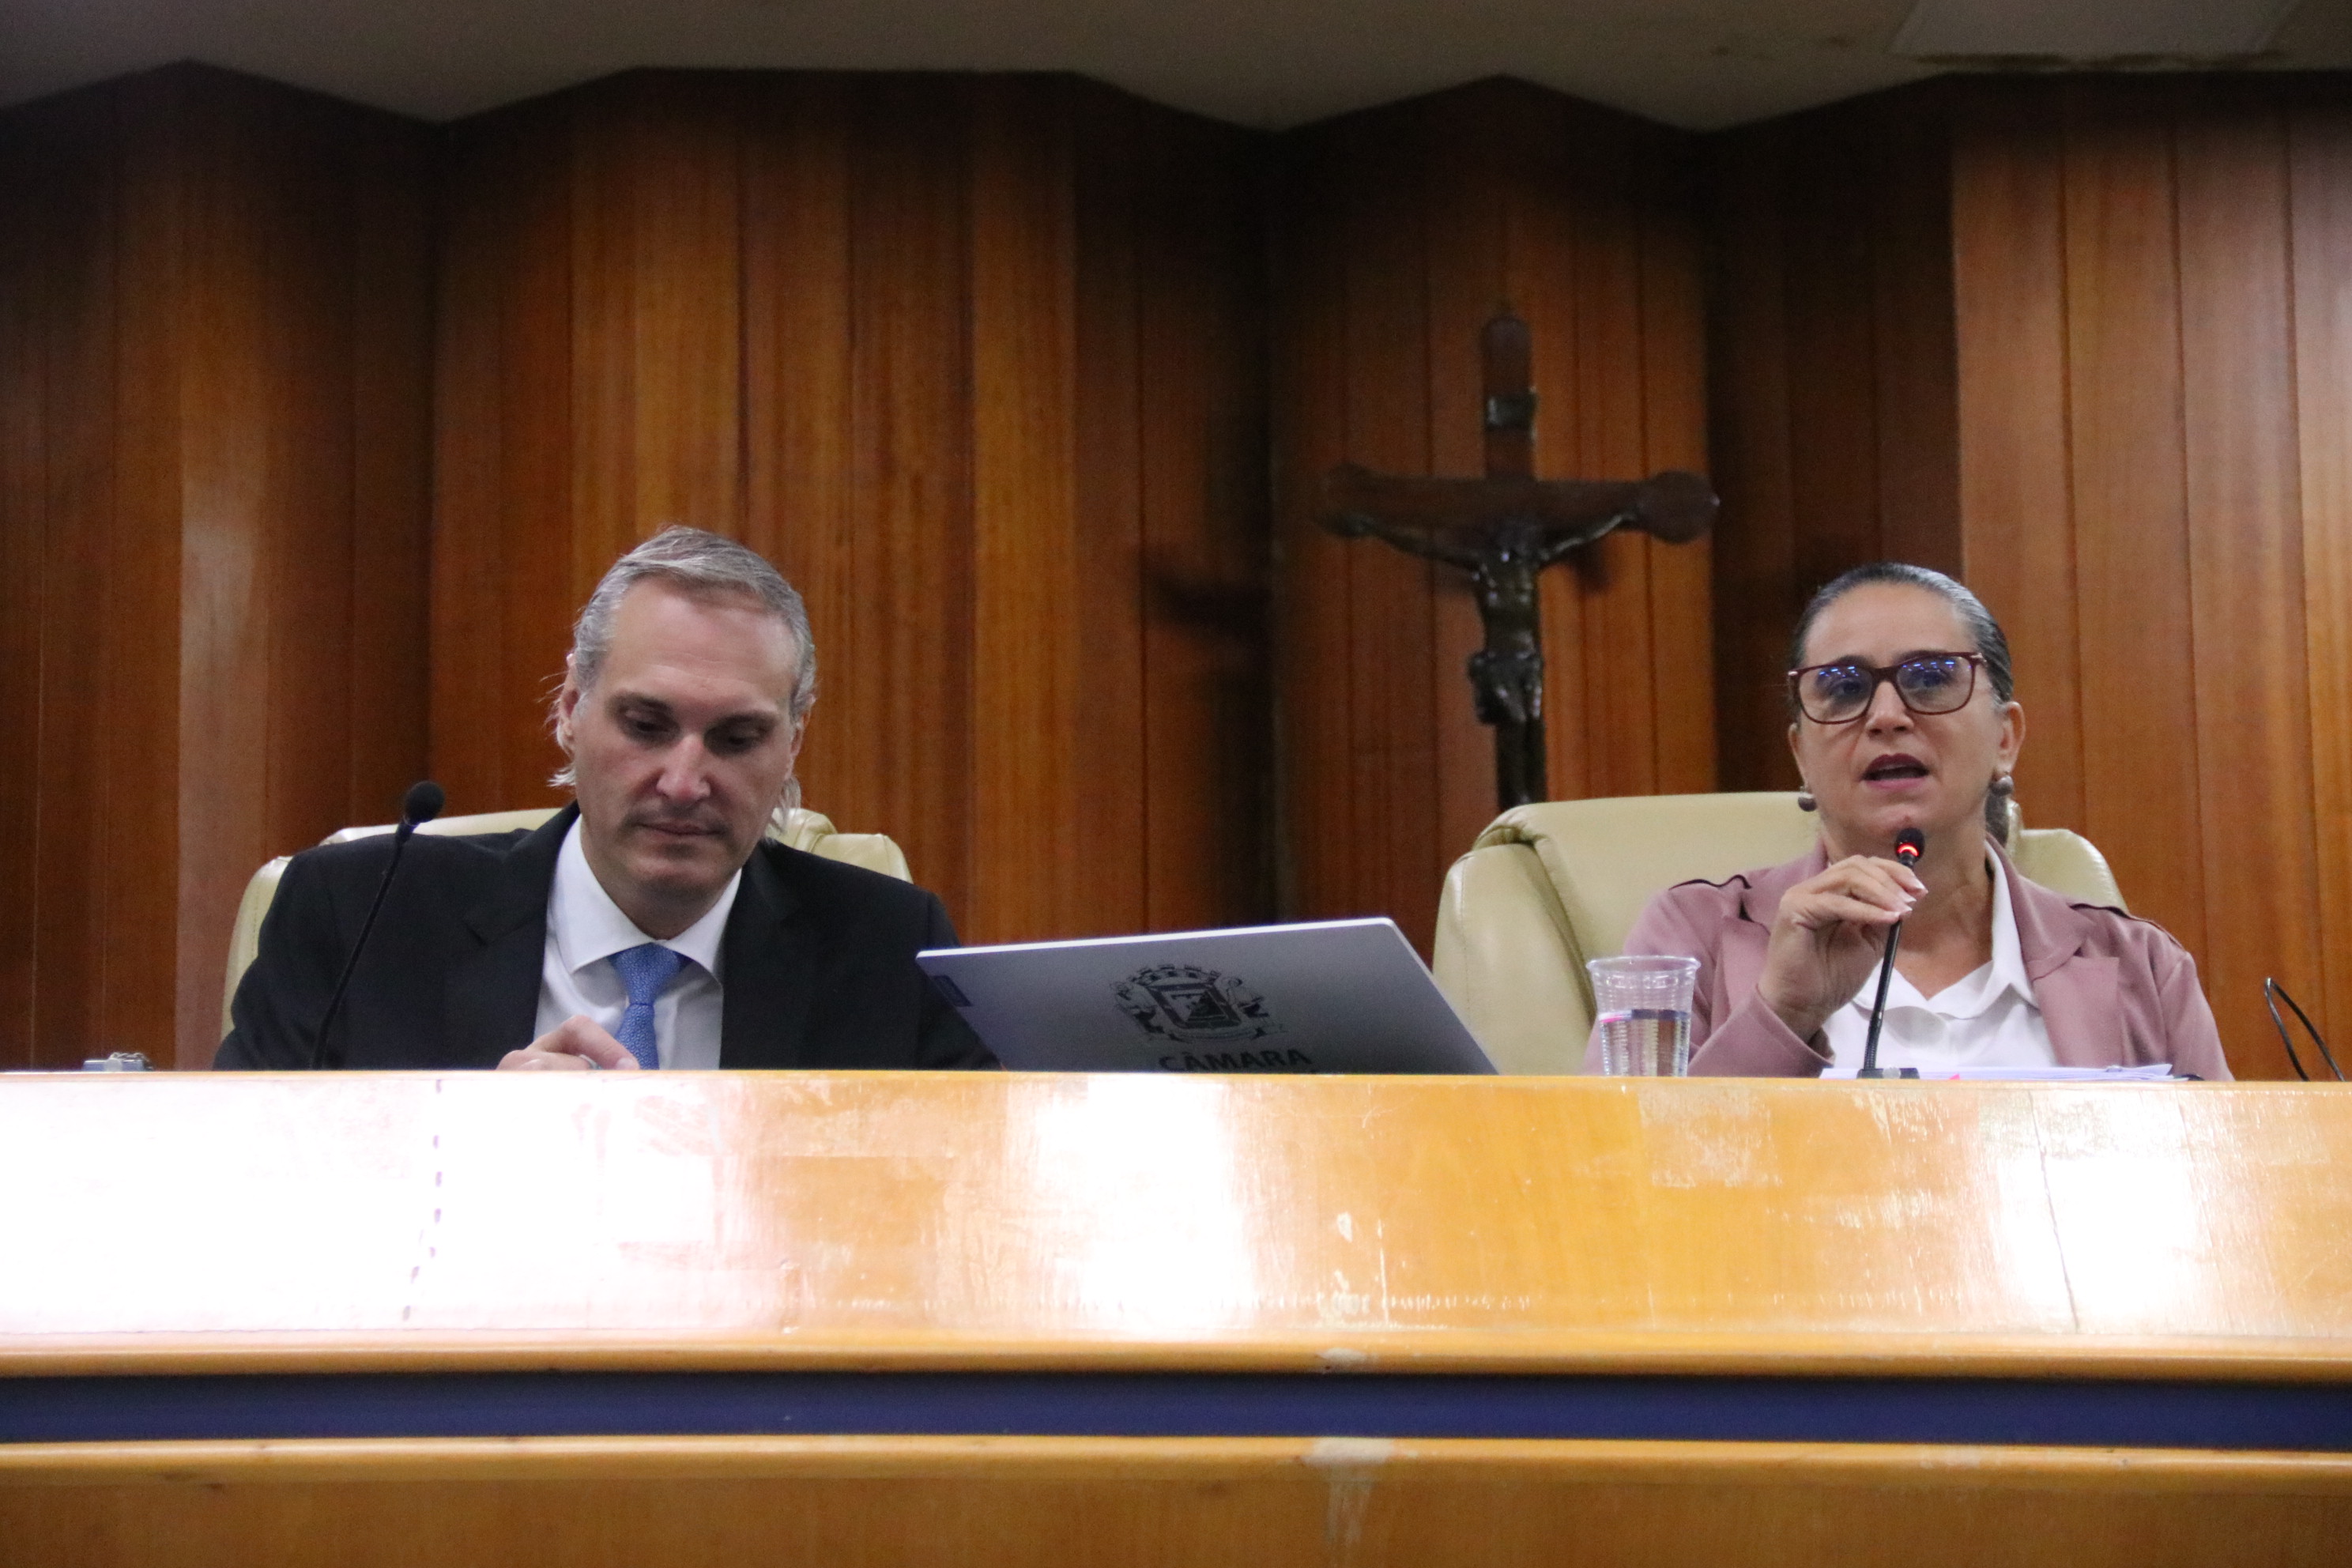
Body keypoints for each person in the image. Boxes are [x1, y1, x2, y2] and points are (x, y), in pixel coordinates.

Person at [217, 527, 994, 1072]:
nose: (683, 782)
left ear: (793, 741)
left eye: (736, 738)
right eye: (646, 726)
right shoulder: (359, 919)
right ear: (570, 708)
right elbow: (242, 1189)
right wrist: (466, 1146)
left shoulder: (887, 948)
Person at [1589, 562, 2229, 1079]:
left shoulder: (2143, 968)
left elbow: (2223, 1186)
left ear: (2005, 739)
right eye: (1843, 687)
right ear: (1801, 757)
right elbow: (1612, 1177)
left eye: (1930, 679)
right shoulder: (1690, 941)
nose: (1887, 715)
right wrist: (1783, 1013)